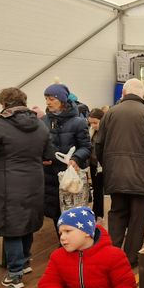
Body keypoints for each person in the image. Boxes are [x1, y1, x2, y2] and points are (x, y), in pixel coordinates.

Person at [0, 88, 54, 288]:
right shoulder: (41, 125)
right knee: (27, 221)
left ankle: (15, 274)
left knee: (12, 227)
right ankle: (25, 262)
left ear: (4, 104)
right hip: (35, 182)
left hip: (9, 184)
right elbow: (49, 155)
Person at [95, 78, 144, 266]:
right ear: (143, 94)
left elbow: (98, 145)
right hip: (142, 178)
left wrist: (108, 165)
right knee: (138, 220)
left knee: (116, 214)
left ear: (123, 93)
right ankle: (130, 259)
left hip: (116, 176)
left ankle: (112, 257)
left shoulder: (110, 114)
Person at [42, 83, 92, 229]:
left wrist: (76, 158)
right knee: (55, 212)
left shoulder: (78, 122)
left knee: (73, 214)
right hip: (50, 175)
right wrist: (42, 158)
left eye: (52, 99)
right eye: (46, 98)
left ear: (62, 101)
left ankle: (74, 246)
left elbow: (86, 147)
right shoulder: (43, 122)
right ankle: (63, 244)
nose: (48, 102)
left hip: (71, 175)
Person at [87, 108, 106, 221]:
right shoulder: (91, 132)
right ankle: (97, 213)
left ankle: (99, 213)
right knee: (97, 191)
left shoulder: (108, 132)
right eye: (91, 123)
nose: (93, 125)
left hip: (104, 165)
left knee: (101, 190)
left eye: (95, 122)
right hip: (94, 165)